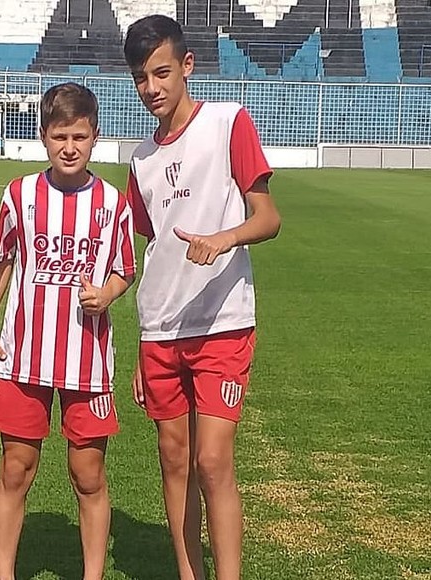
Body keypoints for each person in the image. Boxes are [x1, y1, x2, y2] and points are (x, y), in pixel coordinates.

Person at [122, 15, 282, 580]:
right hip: (161, 330)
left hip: (223, 323)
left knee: (212, 460)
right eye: (142, 78)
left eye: (162, 72)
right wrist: (143, 339)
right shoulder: (140, 159)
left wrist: (223, 238)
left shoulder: (227, 123)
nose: (152, 88)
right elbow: (149, 250)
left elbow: (269, 218)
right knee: (173, 460)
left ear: (187, 66)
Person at [0, 82, 136, 580]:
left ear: (95, 139)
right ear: (44, 137)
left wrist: (108, 294)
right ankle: (5, 573)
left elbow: (125, 269)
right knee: (15, 470)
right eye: (60, 136)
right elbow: (0, 263)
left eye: (80, 137)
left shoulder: (113, 203)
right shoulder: (21, 195)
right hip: (24, 357)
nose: (70, 147)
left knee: (88, 475)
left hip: (87, 361)